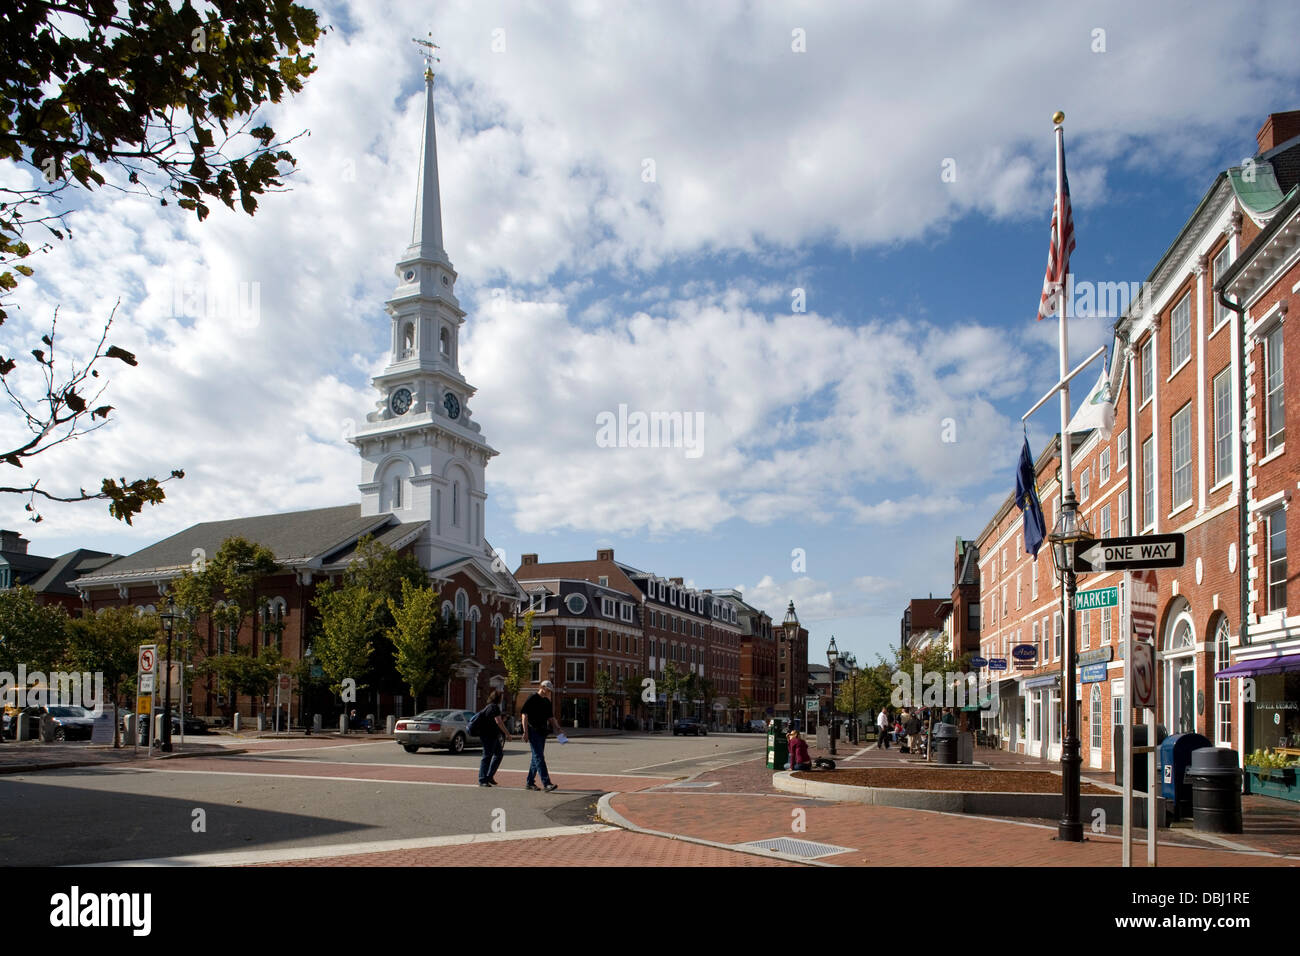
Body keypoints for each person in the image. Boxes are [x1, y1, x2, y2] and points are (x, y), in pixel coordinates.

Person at [520, 680, 562, 792]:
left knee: (536, 757)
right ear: (542, 687)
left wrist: (558, 728)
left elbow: (551, 718)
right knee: (539, 757)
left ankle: (529, 782)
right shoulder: (532, 698)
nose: (549, 692)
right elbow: (524, 714)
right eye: (548, 690)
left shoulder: (547, 702)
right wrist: (525, 732)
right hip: (533, 731)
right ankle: (546, 783)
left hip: (542, 732)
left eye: (550, 691)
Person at [477, 690, 514, 787]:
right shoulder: (494, 707)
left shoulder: (489, 707)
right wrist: (507, 734)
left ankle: (489, 776)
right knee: (487, 757)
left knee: (499, 754)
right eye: (501, 697)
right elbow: (498, 722)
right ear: (497, 698)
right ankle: (482, 779)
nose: (502, 699)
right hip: (488, 735)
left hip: (492, 735)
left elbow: (495, 721)